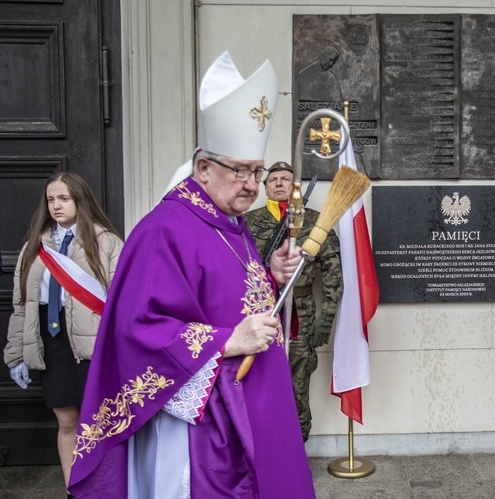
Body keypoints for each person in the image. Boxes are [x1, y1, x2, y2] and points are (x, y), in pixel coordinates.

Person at [68, 52, 316, 498]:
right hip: (199, 425)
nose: (252, 185)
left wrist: (272, 275)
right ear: (203, 167)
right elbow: (138, 329)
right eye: (240, 170)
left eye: (256, 172)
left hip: (249, 398)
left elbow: (225, 293)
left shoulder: (230, 223)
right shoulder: (164, 230)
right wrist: (227, 341)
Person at [4, 172, 123, 494]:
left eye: (64, 198)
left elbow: (124, 302)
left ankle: (105, 489)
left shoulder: (107, 242)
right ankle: (75, 489)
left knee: (100, 424)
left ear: (80, 200)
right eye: (50, 199)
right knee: (67, 422)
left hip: (95, 347)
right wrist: (15, 354)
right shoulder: (35, 246)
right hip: (53, 344)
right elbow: (22, 305)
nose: (56, 205)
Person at [245, 161, 343, 441]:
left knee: (297, 387)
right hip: (257, 315)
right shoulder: (247, 222)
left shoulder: (315, 222)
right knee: (257, 385)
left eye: (286, 179)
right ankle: (261, 454)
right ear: (264, 187)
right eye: (273, 178)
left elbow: (334, 273)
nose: (279, 183)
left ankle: (298, 454)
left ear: (296, 188)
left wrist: (326, 319)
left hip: (301, 315)